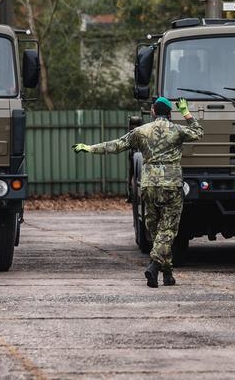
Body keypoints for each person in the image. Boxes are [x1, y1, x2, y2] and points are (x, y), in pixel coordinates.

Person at [72, 97, 203, 288]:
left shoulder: (141, 131)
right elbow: (198, 132)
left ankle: (167, 273)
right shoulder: (177, 130)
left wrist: (90, 148)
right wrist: (186, 112)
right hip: (171, 185)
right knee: (167, 231)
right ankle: (154, 266)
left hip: (149, 184)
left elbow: (116, 145)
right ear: (169, 113)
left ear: (152, 111)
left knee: (156, 230)